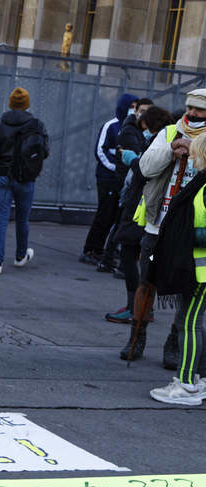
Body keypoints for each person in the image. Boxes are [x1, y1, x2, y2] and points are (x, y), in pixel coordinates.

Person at [120, 89, 206, 364]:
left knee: (189, 288)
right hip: (157, 226)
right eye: (190, 108)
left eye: (199, 110)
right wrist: (170, 150)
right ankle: (137, 337)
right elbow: (145, 168)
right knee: (147, 283)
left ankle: (175, 342)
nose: (192, 114)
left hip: (195, 231)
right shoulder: (169, 132)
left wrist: (195, 152)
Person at [148, 133, 206, 405]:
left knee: (189, 324)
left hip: (199, 270)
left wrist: (185, 241)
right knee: (189, 323)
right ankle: (194, 381)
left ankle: (187, 384)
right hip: (195, 268)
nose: (192, 157)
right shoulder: (201, 182)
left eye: (196, 152)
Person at [106, 106, 173, 325]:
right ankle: (141, 307)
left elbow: (146, 171)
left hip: (141, 206)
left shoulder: (160, 143)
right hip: (146, 207)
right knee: (144, 260)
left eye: (144, 125)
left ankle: (135, 308)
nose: (142, 131)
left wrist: (132, 160)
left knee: (130, 255)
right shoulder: (164, 141)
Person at [0, 86, 49, 274]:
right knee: (23, 219)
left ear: (10, 103)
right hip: (26, 177)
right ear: (27, 104)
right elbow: (45, 151)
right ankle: (20, 256)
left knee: (1, 219)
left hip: (4, 175)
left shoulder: (0, 125)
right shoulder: (37, 125)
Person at [80, 93, 139, 265]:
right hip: (108, 177)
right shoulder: (111, 125)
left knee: (115, 216)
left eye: (136, 107)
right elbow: (100, 151)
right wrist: (115, 167)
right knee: (104, 214)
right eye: (131, 106)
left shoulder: (135, 128)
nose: (134, 110)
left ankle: (106, 249)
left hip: (122, 177)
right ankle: (91, 250)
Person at [98, 97, 154, 274]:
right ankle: (113, 260)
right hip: (126, 183)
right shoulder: (129, 130)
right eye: (142, 111)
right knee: (122, 223)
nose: (145, 115)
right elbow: (135, 159)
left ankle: (110, 259)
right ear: (136, 112)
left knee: (121, 222)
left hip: (129, 182)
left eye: (148, 112)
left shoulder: (139, 131)